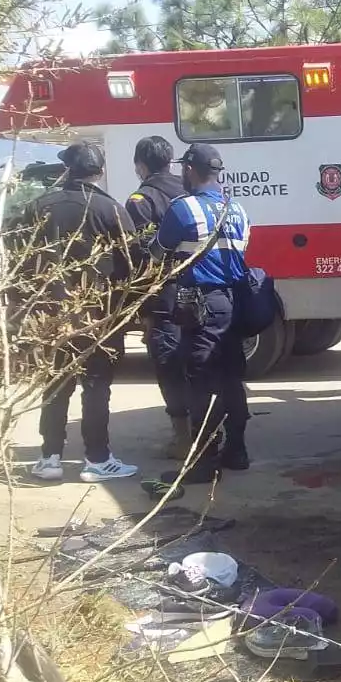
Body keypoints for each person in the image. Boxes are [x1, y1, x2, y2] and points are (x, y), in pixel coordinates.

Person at [26, 142, 139, 482]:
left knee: (55, 383)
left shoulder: (36, 207)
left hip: (49, 316)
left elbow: (20, 262)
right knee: (95, 386)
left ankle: (49, 458)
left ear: (67, 170)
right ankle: (97, 459)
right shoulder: (110, 209)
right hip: (97, 315)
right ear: (100, 171)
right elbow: (132, 264)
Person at [152, 143, 251, 482]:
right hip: (234, 302)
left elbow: (158, 251)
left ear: (190, 171)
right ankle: (236, 451)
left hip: (201, 304)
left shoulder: (183, 208)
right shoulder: (237, 208)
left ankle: (204, 464)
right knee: (231, 376)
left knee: (201, 381)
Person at [125, 135, 190, 460]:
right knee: (203, 362)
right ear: (170, 160)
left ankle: (183, 438)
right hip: (202, 291)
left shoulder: (141, 200)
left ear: (140, 165)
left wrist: (142, 307)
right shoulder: (191, 189)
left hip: (164, 296)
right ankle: (212, 432)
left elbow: (142, 256)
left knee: (169, 365)